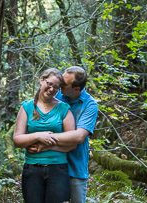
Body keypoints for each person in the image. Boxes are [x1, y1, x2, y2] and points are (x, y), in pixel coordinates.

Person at [29, 66, 98, 203]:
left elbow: (79, 136)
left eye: (64, 84)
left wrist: (45, 142)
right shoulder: (56, 94)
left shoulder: (90, 105)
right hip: (52, 163)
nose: (59, 86)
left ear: (76, 89)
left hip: (75, 167)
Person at [13, 67, 77, 203]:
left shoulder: (63, 108)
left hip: (58, 169)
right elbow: (17, 140)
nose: (52, 89)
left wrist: (47, 146)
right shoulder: (27, 107)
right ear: (41, 80)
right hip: (32, 169)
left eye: (56, 87)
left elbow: (72, 142)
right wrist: (38, 136)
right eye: (49, 84)